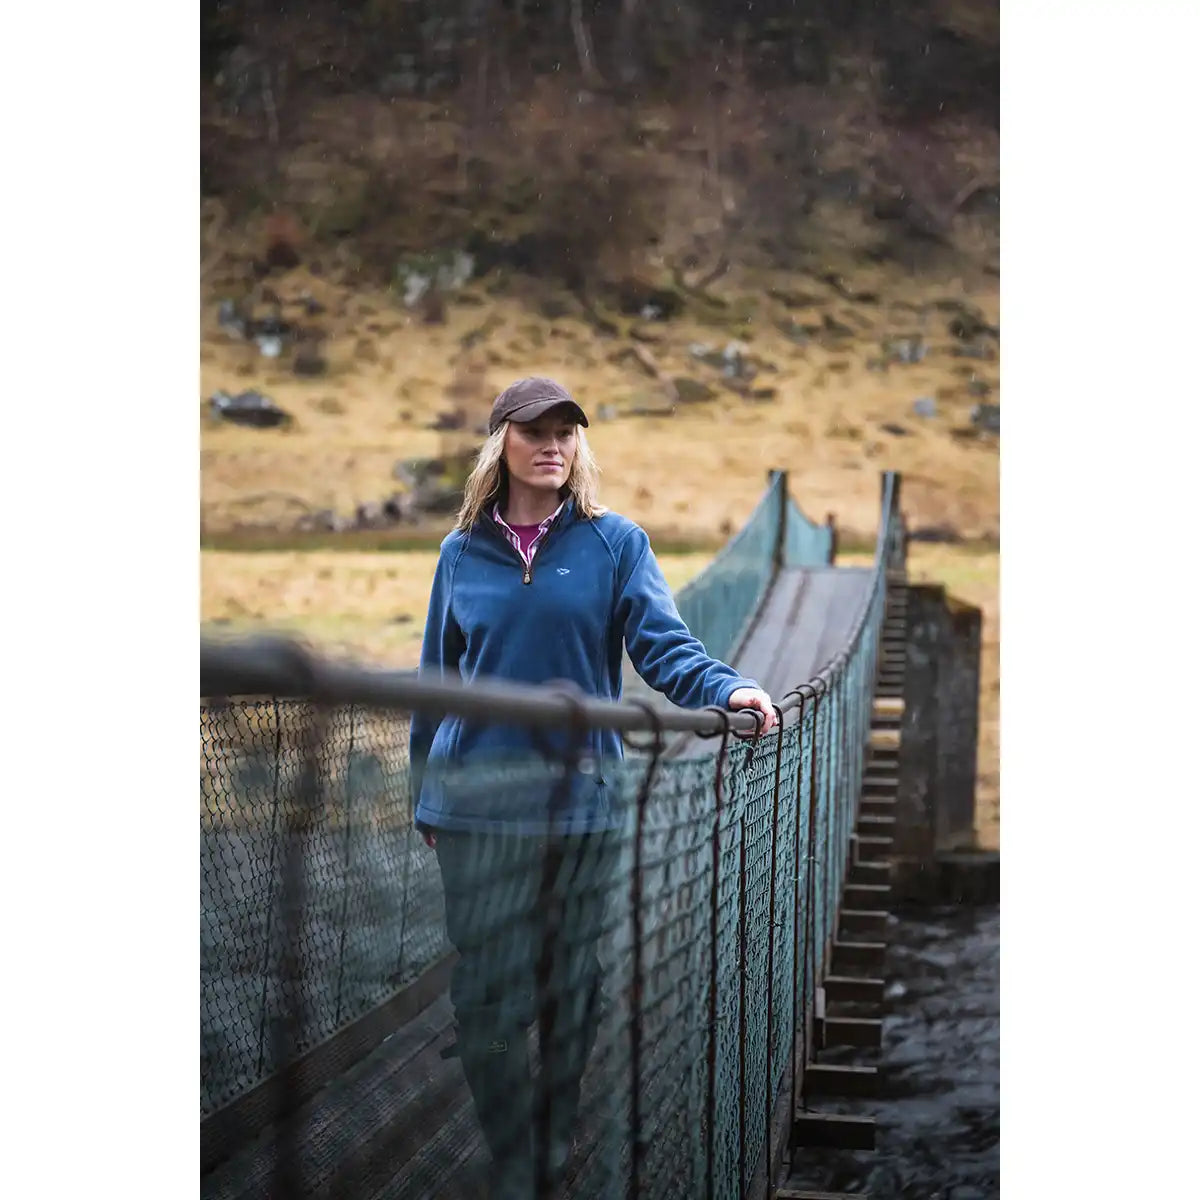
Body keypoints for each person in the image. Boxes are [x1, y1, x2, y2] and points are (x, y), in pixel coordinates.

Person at [409, 376, 776, 1199]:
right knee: (488, 993)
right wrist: (422, 796)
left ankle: (556, 1130)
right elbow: (436, 679)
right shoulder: (460, 553)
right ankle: (518, 1157)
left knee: (573, 982)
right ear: (500, 440)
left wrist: (728, 691)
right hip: (474, 808)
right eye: (535, 429)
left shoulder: (617, 545)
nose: (553, 444)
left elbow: (664, 645)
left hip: (581, 806)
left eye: (566, 431)